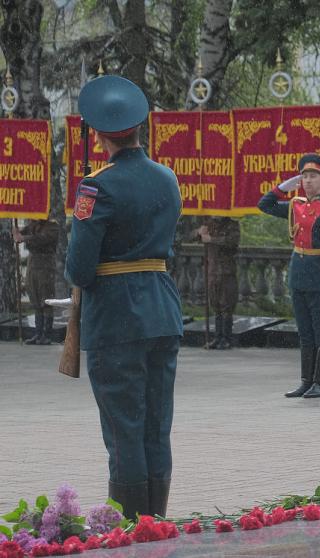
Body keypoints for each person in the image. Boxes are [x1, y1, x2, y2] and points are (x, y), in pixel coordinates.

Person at [64, 75, 183, 518]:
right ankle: (156, 523)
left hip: (117, 319)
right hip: (162, 311)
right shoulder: (167, 178)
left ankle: (132, 528)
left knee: (124, 430)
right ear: (137, 129)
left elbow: (79, 269)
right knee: (156, 426)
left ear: (98, 135)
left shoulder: (98, 186)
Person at [258, 154, 320, 398]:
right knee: (304, 332)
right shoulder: (295, 205)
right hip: (299, 276)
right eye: (304, 177)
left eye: (313, 176)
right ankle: (306, 381)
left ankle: (319, 383)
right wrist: (283, 188)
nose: (308, 181)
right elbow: (265, 205)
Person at [14, 219, 60, 345]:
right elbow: (23, 234)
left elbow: (42, 239)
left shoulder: (52, 225)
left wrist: (24, 238)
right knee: (35, 298)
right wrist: (17, 233)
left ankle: (46, 334)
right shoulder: (33, 223)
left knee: (46, 299)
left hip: (45, 265)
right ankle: (38, 333)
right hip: (33, 264)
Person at [197, 217, 241, 350]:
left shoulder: (232, 225)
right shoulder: (209, 224)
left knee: (226, 305)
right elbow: (189, 236)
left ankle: (226, 338)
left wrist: (211, 239)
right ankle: (217, 337)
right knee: (215, 304)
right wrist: (199, 232)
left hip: (226, 271)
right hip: (212, 272)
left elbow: (232, 242)